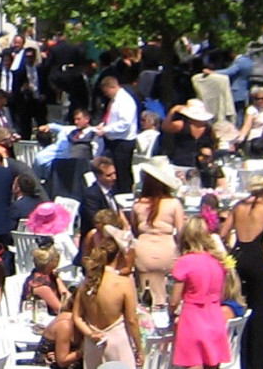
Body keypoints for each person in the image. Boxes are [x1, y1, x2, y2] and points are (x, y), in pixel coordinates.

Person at [224, 172, 263, 369]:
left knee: (240, 308)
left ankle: (240, 357)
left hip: (238, 255)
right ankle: (258, 362)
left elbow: (221, 233)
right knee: (260, 311)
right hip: (256, 258)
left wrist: (228, 253)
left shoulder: (238, 208)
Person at [168, 221, 228, 369]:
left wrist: (171, 313)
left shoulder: (185, 262)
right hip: (215, 318)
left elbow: (174, 301)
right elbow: (222, 292)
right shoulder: (217, 261)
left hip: (192, 319)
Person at [72, 238, 140, 369]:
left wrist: (90, 334)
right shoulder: (123, 283)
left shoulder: (87, 282)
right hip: (117, 342)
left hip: (93, 342)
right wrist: (139, 348)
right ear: (119, 256)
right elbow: (132, 320)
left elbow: (77, 316)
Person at [129, 157, 184, 309]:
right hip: (167, 249)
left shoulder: (138, 205)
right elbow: (181, 232)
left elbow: (134, 231)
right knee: (167, 291)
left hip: (143, 249)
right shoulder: (173, 203)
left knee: (145, 294)